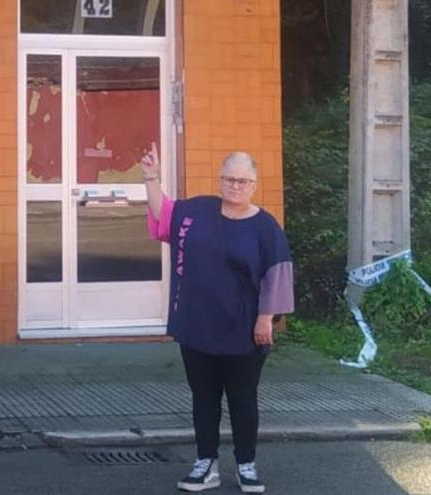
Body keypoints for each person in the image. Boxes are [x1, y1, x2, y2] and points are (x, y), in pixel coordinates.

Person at [141, 143, 294, 493]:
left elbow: (277, 275)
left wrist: (265, 318)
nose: (235, 186)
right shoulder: (197, 212)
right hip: (197, 324)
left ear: (254, 184)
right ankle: (205, 463)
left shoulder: (265, 226)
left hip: (244, 329)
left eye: (243, 180)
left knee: (243, 398)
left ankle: (246, 465)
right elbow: (163, 216)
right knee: (203, 398)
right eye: (229, 179)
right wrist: (150, 177)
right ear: (220, 180)